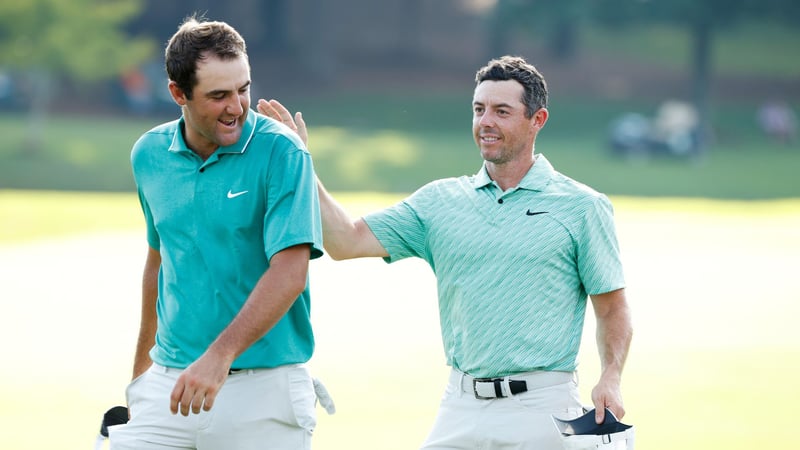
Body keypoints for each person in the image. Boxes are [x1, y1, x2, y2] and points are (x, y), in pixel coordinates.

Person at [258, 55, 632, 449]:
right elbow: (346, 241)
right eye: (479, 109)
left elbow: (612, 307)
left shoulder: (582, 207)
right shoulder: (439, 201)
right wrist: (302, 162)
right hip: (460, 405)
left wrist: (611, 376)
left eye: (502, 111)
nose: (486, 121)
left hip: (542, 407)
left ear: (537, 120)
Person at [109, 16, 333, 450]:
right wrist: (141, 378)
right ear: (178, 93)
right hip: (168, 385)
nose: (237, 106)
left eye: (243, 89)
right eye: (218, 95)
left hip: (263, 393)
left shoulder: (284, 152)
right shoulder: (149, 154)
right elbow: (160, 262)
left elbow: (290, 272)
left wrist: (218, 357)